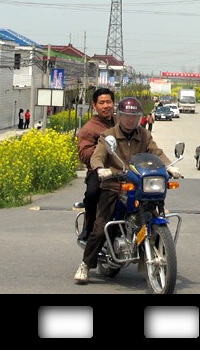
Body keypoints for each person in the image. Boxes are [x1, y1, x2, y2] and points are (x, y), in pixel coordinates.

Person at [74, 96, 178, 285]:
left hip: (138, 184)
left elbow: (156, 152)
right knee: (100, 226)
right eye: (127, 116)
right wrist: (100, 169)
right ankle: (85, 265)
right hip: (114, 184)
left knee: (152, 212)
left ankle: (152, 248)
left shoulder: (144, 135)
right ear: (120, 116)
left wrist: (169, 166)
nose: (131, 120)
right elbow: (97, 156)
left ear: (139, 117)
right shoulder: (108, 135)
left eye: (135, 116)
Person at [74, 88, 116, 244]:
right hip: (99, 171)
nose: (106, 106)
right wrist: (102, 150)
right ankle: (89, 227)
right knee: (92, 193)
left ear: (114, 103)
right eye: (102, 103)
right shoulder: (89, 128)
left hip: (122, 170)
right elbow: (84, 154)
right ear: (95, 106)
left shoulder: (122, 123)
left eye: (109, 102)